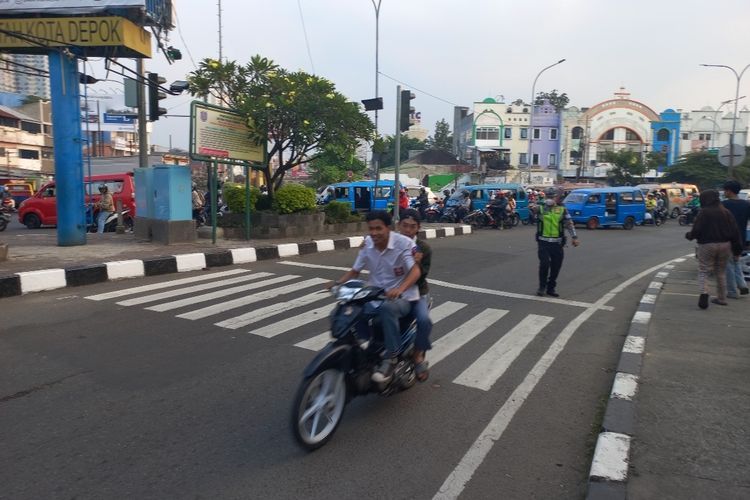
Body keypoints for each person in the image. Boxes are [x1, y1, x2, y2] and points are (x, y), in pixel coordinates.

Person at [330, 210, 421, 382]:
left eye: (378, 228)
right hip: (374, 295)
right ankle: (363, 345)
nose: (374, 233)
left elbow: (415, 271)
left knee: (387, 308)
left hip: (403, 298)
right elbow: (355, 271)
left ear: (389, 228)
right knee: (348, 309)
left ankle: (392, 357)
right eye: (371, 229)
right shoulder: (368, 243)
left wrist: (400, 289)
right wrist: (337, 284)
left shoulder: (404, 244)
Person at [685, 189, 743, 308]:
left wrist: (690, 236)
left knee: (704, 270)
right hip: (725, 245)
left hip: (707, 245)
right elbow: (735, 232)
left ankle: (704, 294)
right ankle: (721, 298)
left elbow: (697, 229)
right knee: (720, 272)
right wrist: (737, 250)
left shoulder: (704, 212)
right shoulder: (726, 212)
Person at [397, 209, 433, 382]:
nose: (408, 230)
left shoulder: (423, 248)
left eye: (412, 227)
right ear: (399, 226)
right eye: (405, 226)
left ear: (418, 228)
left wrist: (416, 264)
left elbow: (421, 277)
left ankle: (418, 355)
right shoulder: (392, 243)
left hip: (418, 293)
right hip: (392, 291)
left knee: (424, 320)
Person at [535, 188, 579, 297]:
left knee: (556, 267)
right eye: (548, 197)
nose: (550, 199)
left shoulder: (562, 209)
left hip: (557, 243)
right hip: (543, 242)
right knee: (544, 264)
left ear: (556, 198)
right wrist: (538, 203)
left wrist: (574, 237)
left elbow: (569, 224)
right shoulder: (540, 208)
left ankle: (551, 288)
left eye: (552, 197)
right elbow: (531, 209)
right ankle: (542, 287)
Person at [721, 180, 750, 298]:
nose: (724, 192)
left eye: (725, 190)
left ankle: (732, 291)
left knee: (728, 265)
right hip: (741, 237)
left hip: (727, 237)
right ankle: (742, 285)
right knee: (736, 261)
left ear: (729, 191)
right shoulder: (747, 204)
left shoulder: (724, 205)